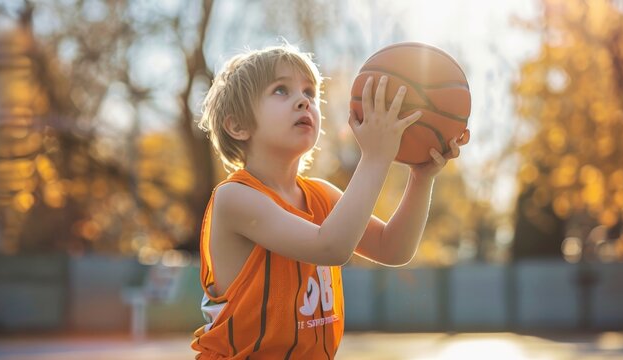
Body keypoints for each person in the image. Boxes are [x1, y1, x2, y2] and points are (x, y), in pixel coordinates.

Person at [190, 43, 469, 359]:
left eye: (310, 92)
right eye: (281, 90)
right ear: (237, 126)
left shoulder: (321, 195)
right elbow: (331, 247)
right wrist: (376, 158)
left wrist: (421, 177)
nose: (302, 101)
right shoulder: (235, 198)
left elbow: (394, 248)